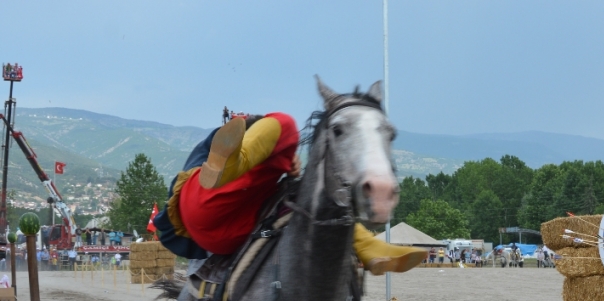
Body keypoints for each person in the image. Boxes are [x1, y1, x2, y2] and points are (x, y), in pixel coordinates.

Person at [153, 113, 426, 274]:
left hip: (216, 226)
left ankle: (369, 247)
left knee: (305, 195)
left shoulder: (265, 178)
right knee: (284, 123)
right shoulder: (259, 153)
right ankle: (368, 247)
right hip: (224, 226)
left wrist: (288, 172)